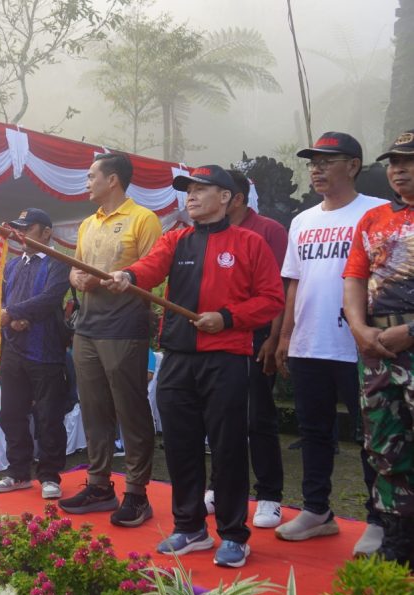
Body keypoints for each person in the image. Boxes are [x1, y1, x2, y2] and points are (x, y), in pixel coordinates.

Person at [106, 165, 284, 568]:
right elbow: (149, 268)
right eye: (188, 190)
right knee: (180, 445)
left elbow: (272, 299)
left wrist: (227, 318)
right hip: (177, 357)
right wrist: (127, 275)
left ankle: (234, 534)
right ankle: (189, 527)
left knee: (228, 447)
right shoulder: (177, 239)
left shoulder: (250, 243)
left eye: (202, 189)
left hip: (228, 358)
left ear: (226, 197)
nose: (192, 196)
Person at [273, 132, 388, 554]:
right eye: (312, 163)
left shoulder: (377, 212)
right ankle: (317, 510)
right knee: (314, 432)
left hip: (360, 344)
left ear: (353, 166)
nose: (316, 169)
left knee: (374, 435)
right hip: (310, 342)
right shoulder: (302, 220)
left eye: (327, 161)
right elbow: (294, 282)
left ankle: (380, 518)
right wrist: (287, 335)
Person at [60, 153, 162, 527]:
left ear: (113, 179)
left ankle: (137, 492)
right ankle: (99, 485)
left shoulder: (143, 219)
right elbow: (76, 268)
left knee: (129, 410)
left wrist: (110, 280)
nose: (87, 183)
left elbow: (153, 273)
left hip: (124, 328)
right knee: (93, 408)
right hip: (86, 328)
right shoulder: (88, 224)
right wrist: (76, 278)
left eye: (92, 176)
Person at [202, 170, 289, 529]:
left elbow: (281, 288)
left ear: (234, 198)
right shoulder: (205, 232)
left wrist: (275, 338)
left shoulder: (269, 230)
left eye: (210, 191)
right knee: (219, 416)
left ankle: (269, 495)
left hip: (256, 335)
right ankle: (217, 486)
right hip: (216, 336)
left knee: (258, 417)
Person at [342, 128, 414, 563]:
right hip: (376, 348)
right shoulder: (373, 219)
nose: (398, 170)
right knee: (383, 444)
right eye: (394, 163)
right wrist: (358, 327)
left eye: (409, 161)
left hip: (407, 337)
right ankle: (398, 536)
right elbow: (354, 278)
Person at [0, 208, 73, 500]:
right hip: (13, 350)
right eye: (20, 228)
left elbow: (50, 298)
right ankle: (18, 472)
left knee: (48, 416)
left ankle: (50, 475)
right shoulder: (12, 266)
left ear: (47, 232)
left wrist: (12, 313)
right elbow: (0, 299)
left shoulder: (59, 263)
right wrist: (12, 317)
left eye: (28, 228)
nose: (21, 234)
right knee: (11, 413)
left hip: (46, 350)